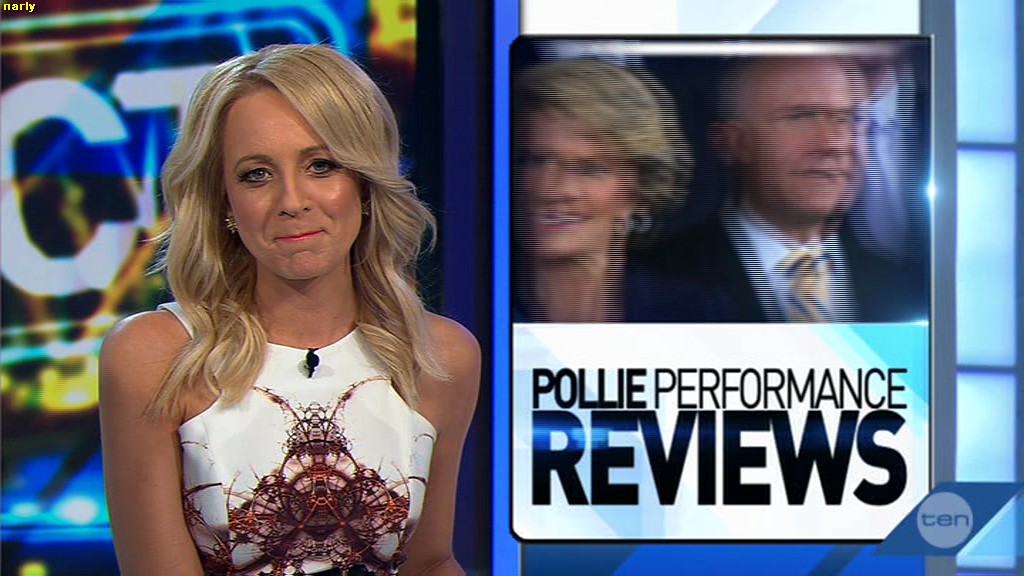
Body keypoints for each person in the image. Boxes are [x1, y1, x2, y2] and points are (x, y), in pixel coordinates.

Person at [99, 44, 480, 576]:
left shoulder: (441, 355)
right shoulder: (152, 357)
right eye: (256, 174)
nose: (292, 200)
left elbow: (430, 562)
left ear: (364, 184)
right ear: (224, 200)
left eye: (322, 166)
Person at [646, 55, 926, 323]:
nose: (835, 143)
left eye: (847, 119)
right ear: (734, 142)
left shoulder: (906, 286)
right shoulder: (653, 281)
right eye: (802, 117)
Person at [512, 58, 722, 322]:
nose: (553, 190)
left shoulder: (698, 315)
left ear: (642, 192)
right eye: (532, 161)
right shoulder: (470, 306)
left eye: (590, 169)